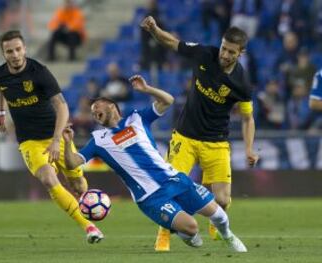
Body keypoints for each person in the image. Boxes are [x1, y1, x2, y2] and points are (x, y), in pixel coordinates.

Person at [63, 75, 248, 253]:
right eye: (93, 112)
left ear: (111, 106)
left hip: (174, 179)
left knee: (218, 215)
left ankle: (228, 235)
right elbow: (72, 163)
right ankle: (184, 234)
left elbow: (168, 100)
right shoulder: (98, 140)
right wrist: (66, 142)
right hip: (150, 197)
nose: (94, 113)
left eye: (97, 108)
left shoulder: (137, 118)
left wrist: (146, 89)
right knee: (191, 228)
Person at [140, 16, 259, 251]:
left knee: (223, 199)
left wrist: (248, 148)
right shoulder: (204, 54)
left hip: (216, 141)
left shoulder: (242, 84)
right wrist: (154, 29)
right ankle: (164, 234)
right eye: (224, 48)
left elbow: (247, 118)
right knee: (168, 189)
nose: (224, 55)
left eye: (231, 52)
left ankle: (216, 219)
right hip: (185, 136)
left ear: (241, 53)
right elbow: (172, 43)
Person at [0, 30, 103, 244]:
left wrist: (55, 140)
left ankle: (88, 206)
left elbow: (62, 106)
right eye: (9, 51)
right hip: (29, 141)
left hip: (55, 135)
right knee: (48, 179)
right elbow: (1, 88)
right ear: (3, 53)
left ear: (24, 49)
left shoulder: (39, 72)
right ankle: (89, 227)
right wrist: (1, 112)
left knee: (79, 186)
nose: (14, 54)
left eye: (17, 49)